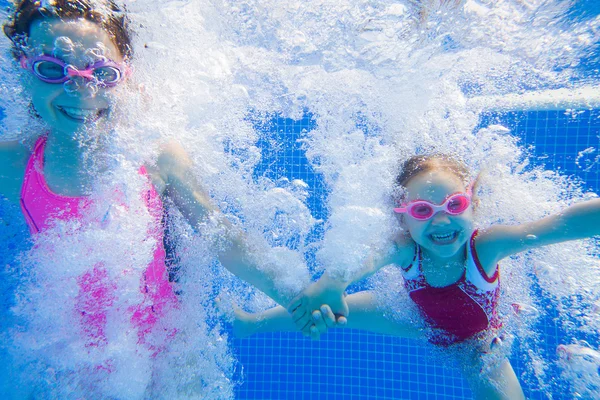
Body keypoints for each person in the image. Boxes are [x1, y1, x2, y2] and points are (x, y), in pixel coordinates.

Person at [0, 0, 293, 354]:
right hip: (64, 355)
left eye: (103, 73)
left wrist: (293, 294)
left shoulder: (154, 156)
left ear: (126, 75)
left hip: (163, 348)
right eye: (50, 69)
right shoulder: (14, 164)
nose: (81, 90)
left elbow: (223, 238)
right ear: (22, 73)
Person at [232, 153, 600, 399]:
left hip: (476, 342)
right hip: (416, 318)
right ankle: (252, 322)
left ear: (473, 204)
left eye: (454, 205)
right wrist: (334, 282)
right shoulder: (405, 247)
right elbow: (369, 256)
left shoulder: (485, 247)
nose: (442, 220)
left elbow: (560, 224)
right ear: (403, 218)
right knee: (334, 309)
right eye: (423, 210)